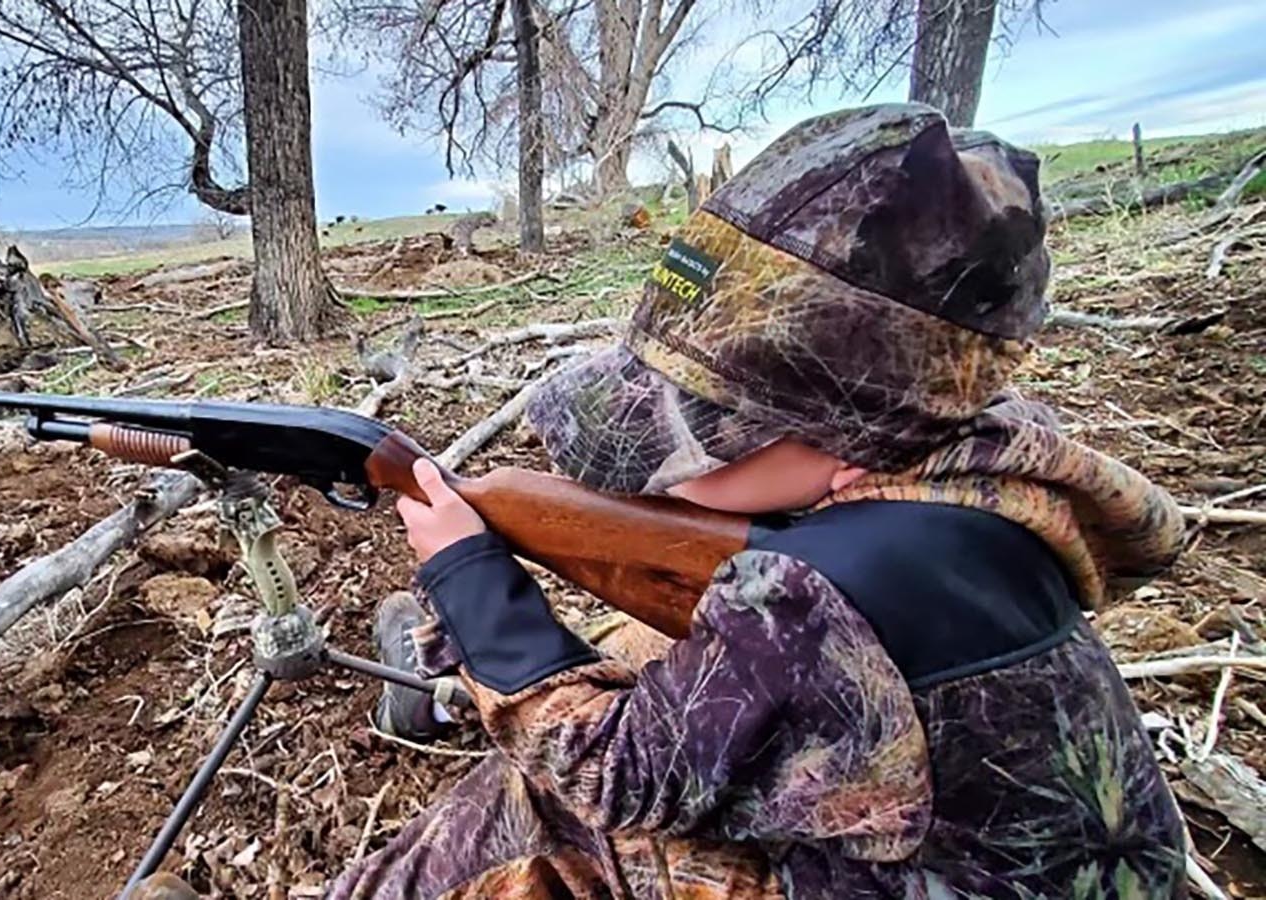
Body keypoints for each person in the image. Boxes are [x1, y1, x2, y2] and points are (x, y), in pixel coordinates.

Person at [333, 103, 1189, 899]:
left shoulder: (815, 594)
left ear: (859, 438)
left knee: (542, 803)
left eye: (706, 427)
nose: (661, 469)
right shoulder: (997, 475)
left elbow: (618, 775)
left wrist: (471, 580)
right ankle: (436, 700)